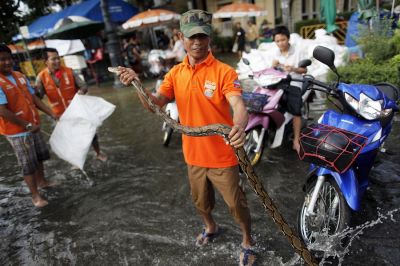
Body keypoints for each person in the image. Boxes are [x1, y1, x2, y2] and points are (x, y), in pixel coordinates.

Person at [117, 10, 256, 266]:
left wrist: (239, 126)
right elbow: (155, 104)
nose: (197, 42)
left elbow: (238, 105)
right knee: (201, 202)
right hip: (193, 154)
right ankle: (210, 226)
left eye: (202, 35)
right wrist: (137, 84)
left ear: (209, 37)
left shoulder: (224, 72)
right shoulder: (175, 74)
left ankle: (247, 240)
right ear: (181, 37)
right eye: (192, 36)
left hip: (223, 155)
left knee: (236, 204)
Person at [0, 44, 59, 207]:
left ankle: (43, 181)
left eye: (8, 58)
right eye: (2, 60)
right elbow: (2, 111)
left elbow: (34, 99)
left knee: (40, 156)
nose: (7, 62)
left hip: (33, 124)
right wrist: (26, 125)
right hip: (18, 131)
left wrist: (51, 113)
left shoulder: (19, 75)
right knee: (27, 163)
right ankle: (35, 196)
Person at [35, 47, 107, 162]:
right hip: (59, 115)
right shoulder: (41, 77)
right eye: (53, 59)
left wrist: (81, 92)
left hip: (77, 110)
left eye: (58, 58)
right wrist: (33, 92)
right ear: (46, 62)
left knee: (91, 132)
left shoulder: (69, 71)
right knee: (70, 138)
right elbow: (38, 97)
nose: (57, 61)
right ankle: (76, 160)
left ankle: (98, 153)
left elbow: (83, 86)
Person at [271, 26, 307, 152]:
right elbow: (273, 67)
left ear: (288, 39)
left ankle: (296, 140)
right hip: (280, 82)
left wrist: (293, 69)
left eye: (283, 40)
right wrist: (274, 66)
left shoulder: (298, 52)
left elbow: (304, 70)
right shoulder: (276, 52)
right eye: (278, 41)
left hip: (294, 82)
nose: (280, 43)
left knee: (296, 111)